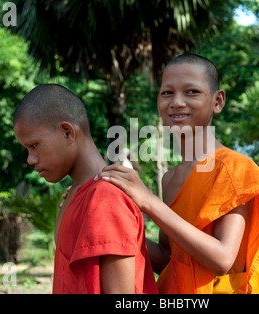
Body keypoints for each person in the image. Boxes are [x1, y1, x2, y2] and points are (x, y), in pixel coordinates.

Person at [95, 54, 259, 294]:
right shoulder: (170, 178)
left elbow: (223, 259)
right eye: (167, 93)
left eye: (192, 92)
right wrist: (112, 221)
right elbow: (168, 258)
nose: (177, 102)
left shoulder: (234, 168)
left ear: (218, 101)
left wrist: (148, 201)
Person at [13, 84, 158, 294]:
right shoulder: (78, 195)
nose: (30, 159)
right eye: (27, 149)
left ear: (67, 132)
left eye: (34, 145)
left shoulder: (106, 197)